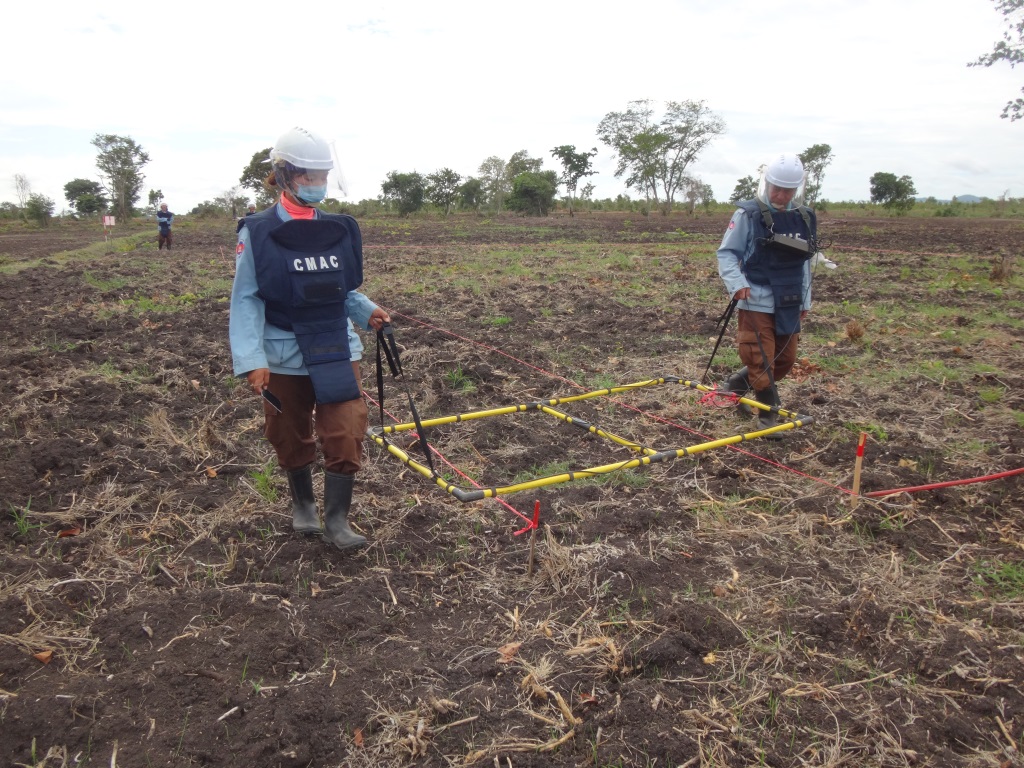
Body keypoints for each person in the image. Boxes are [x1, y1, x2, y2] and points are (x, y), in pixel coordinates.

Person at [229, 127, 390, 551]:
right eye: (308, 177)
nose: (316, 185)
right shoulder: (258, 232)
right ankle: (303, 504)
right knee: (288, 430)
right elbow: (246, 299)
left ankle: (337, 520)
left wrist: (366, 310)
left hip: (336, 345)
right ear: (283, 175)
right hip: (281, 352)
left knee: (347, 427)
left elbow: (340, 287)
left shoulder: (336, 230)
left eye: (322, 177)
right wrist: (251, 358)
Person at [716, 152, 817, 439]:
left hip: (790, 300)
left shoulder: (805, 218)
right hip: (756, 299)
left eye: (788, 190)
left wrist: (805, 300)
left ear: (797, 189)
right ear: (766, 183)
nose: (781, 195)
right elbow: (727, 253)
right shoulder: (747, 215)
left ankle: (738, 384)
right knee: (760, 358)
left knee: (784, 360)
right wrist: (737, 284)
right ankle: (768, 417)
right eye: (777, 188)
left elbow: (806, 262)